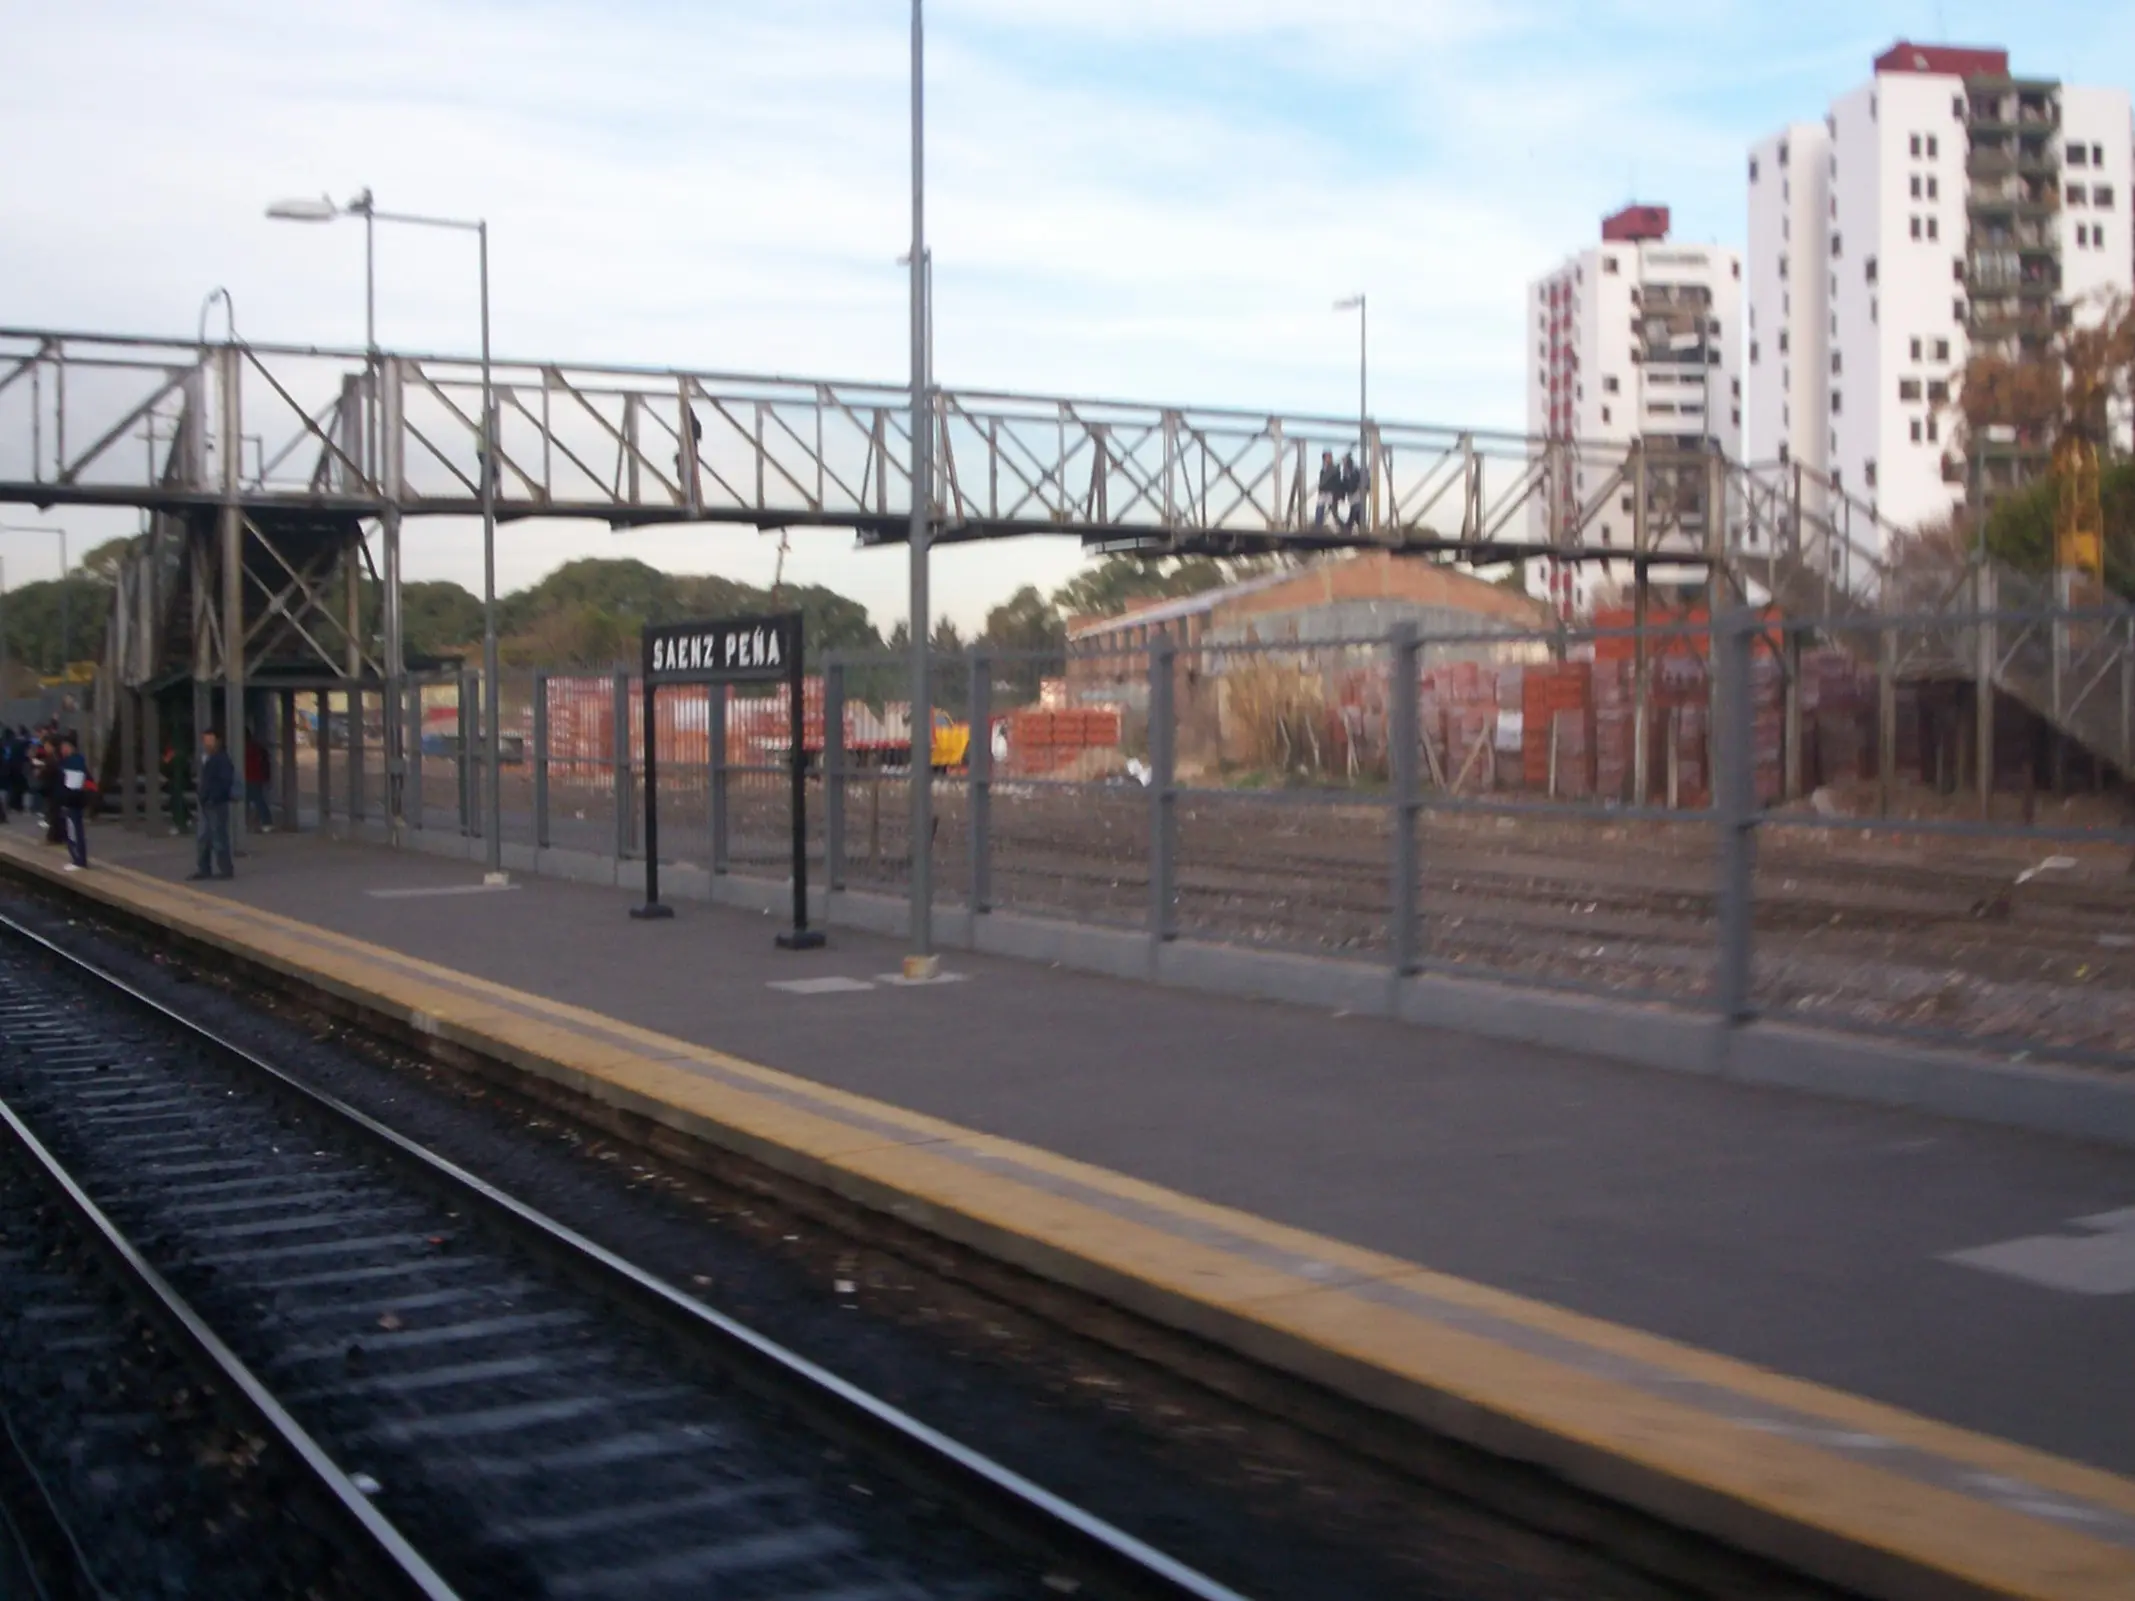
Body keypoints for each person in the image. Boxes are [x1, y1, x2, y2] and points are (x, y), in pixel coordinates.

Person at [192, 730, 235, 881]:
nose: (207, 744)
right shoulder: (208, 758)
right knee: (203, 837)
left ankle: (225, 869)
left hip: (217, 803)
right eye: (205, 740)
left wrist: (213, 797)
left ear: (217, 741)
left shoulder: (221, 759)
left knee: (218, 837)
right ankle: (204, 868)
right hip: (207, 803)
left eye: (210, 740)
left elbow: (225, 781)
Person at [57, 735, 88, 871]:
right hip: (71, 800)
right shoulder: (71, 761)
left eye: (64, 747)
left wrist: (65, 798)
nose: (62, 750)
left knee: (74, 830)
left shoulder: (73, 762)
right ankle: (77, 858)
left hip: (72, 801)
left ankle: (79, 860)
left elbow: (73, 784)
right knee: (72, 829)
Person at [244, 733, 273, 832]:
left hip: (249, 777)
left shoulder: (245, 749)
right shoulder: (257, 747)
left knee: (251, 801)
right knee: (258, 800)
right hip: (256, 777)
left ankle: (264, 822)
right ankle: (265, 822)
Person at [1312, 450, 1341, 530]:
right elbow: (1322, 480)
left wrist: (1336, 493)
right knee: (1319, 509)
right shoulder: (1323, 469)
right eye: (1326, 457)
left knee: (1333, 512)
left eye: (1329, 457)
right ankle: (1317, 527)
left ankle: (1341, 527)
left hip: (1330, 492)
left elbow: (1337, 481)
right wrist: (1320, 489)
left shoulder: (1334, 468)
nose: (1328, 459)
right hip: (1323, 492)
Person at [1338, 451, 1363, 531]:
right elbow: (1344, 485)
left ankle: (1348, 530)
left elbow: (1355, 482)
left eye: (1344, 461)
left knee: (1354, 513)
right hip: (1352, 496)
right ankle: (1361, 530)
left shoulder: (1353, 470)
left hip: (1356, 495)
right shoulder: (1346, 471)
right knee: (1357, 515)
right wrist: (1343, 496)